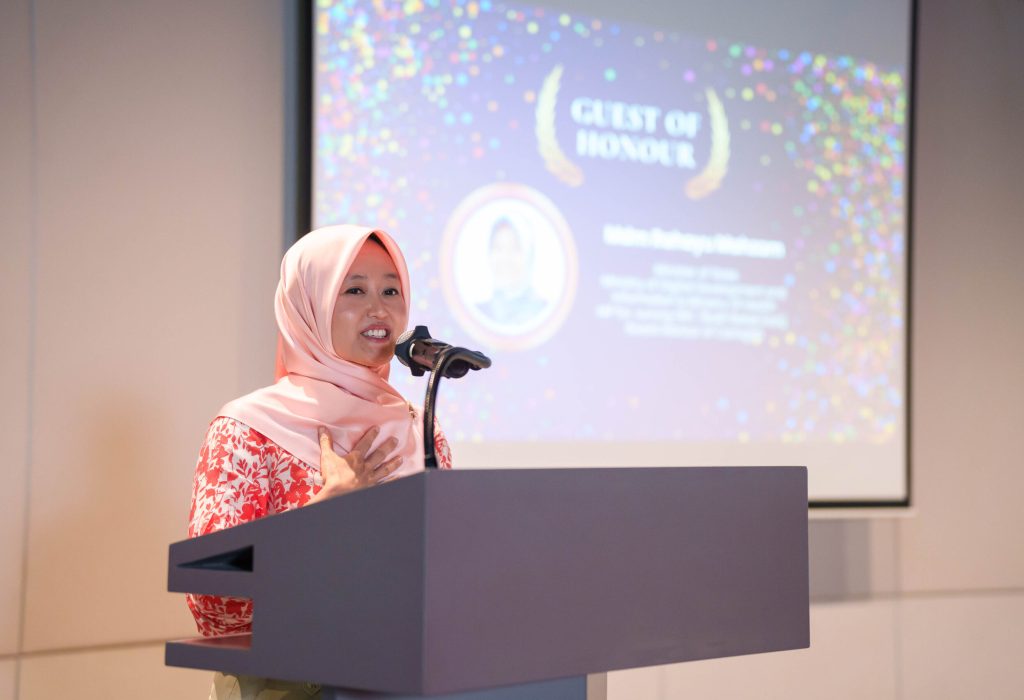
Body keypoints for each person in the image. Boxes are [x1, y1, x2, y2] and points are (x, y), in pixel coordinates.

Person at [187, 224, 452, 699]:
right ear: (308, 306)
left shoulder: (419, 427)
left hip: (407, 677)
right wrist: (321, 514)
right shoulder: (247, 428)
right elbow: (212, 604)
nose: (380, 308)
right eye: (354, 290)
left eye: (392, 290)